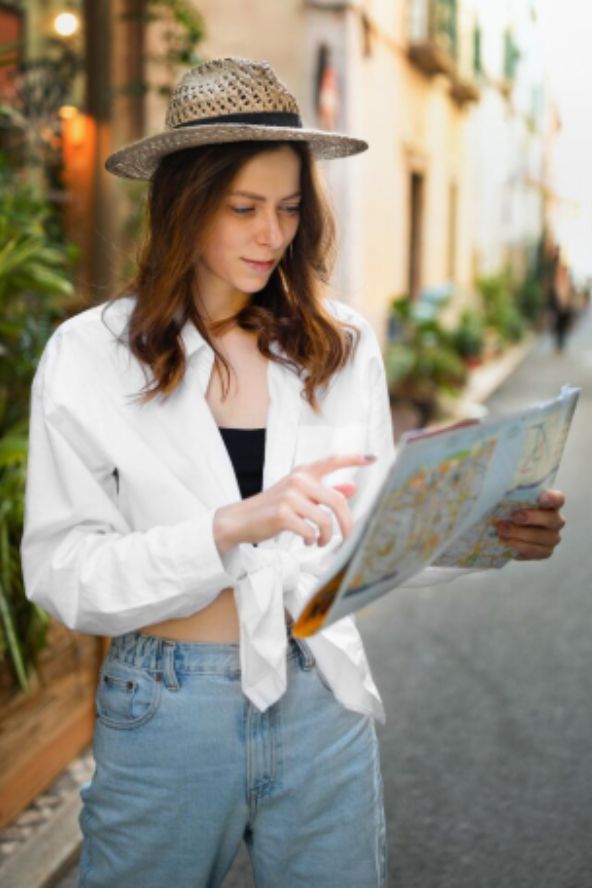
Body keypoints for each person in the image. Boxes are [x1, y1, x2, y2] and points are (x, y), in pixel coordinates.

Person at [21, 58, 566, 887]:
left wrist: (482, 526)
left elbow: (368, 529)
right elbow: (62, 573)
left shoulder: (339, 344)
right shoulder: (90, 355)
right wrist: (230, 527)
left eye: (288, 209)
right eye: (243, 209)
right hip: (168, 713)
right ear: (183, 206)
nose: (272, 235)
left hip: (321, 699)